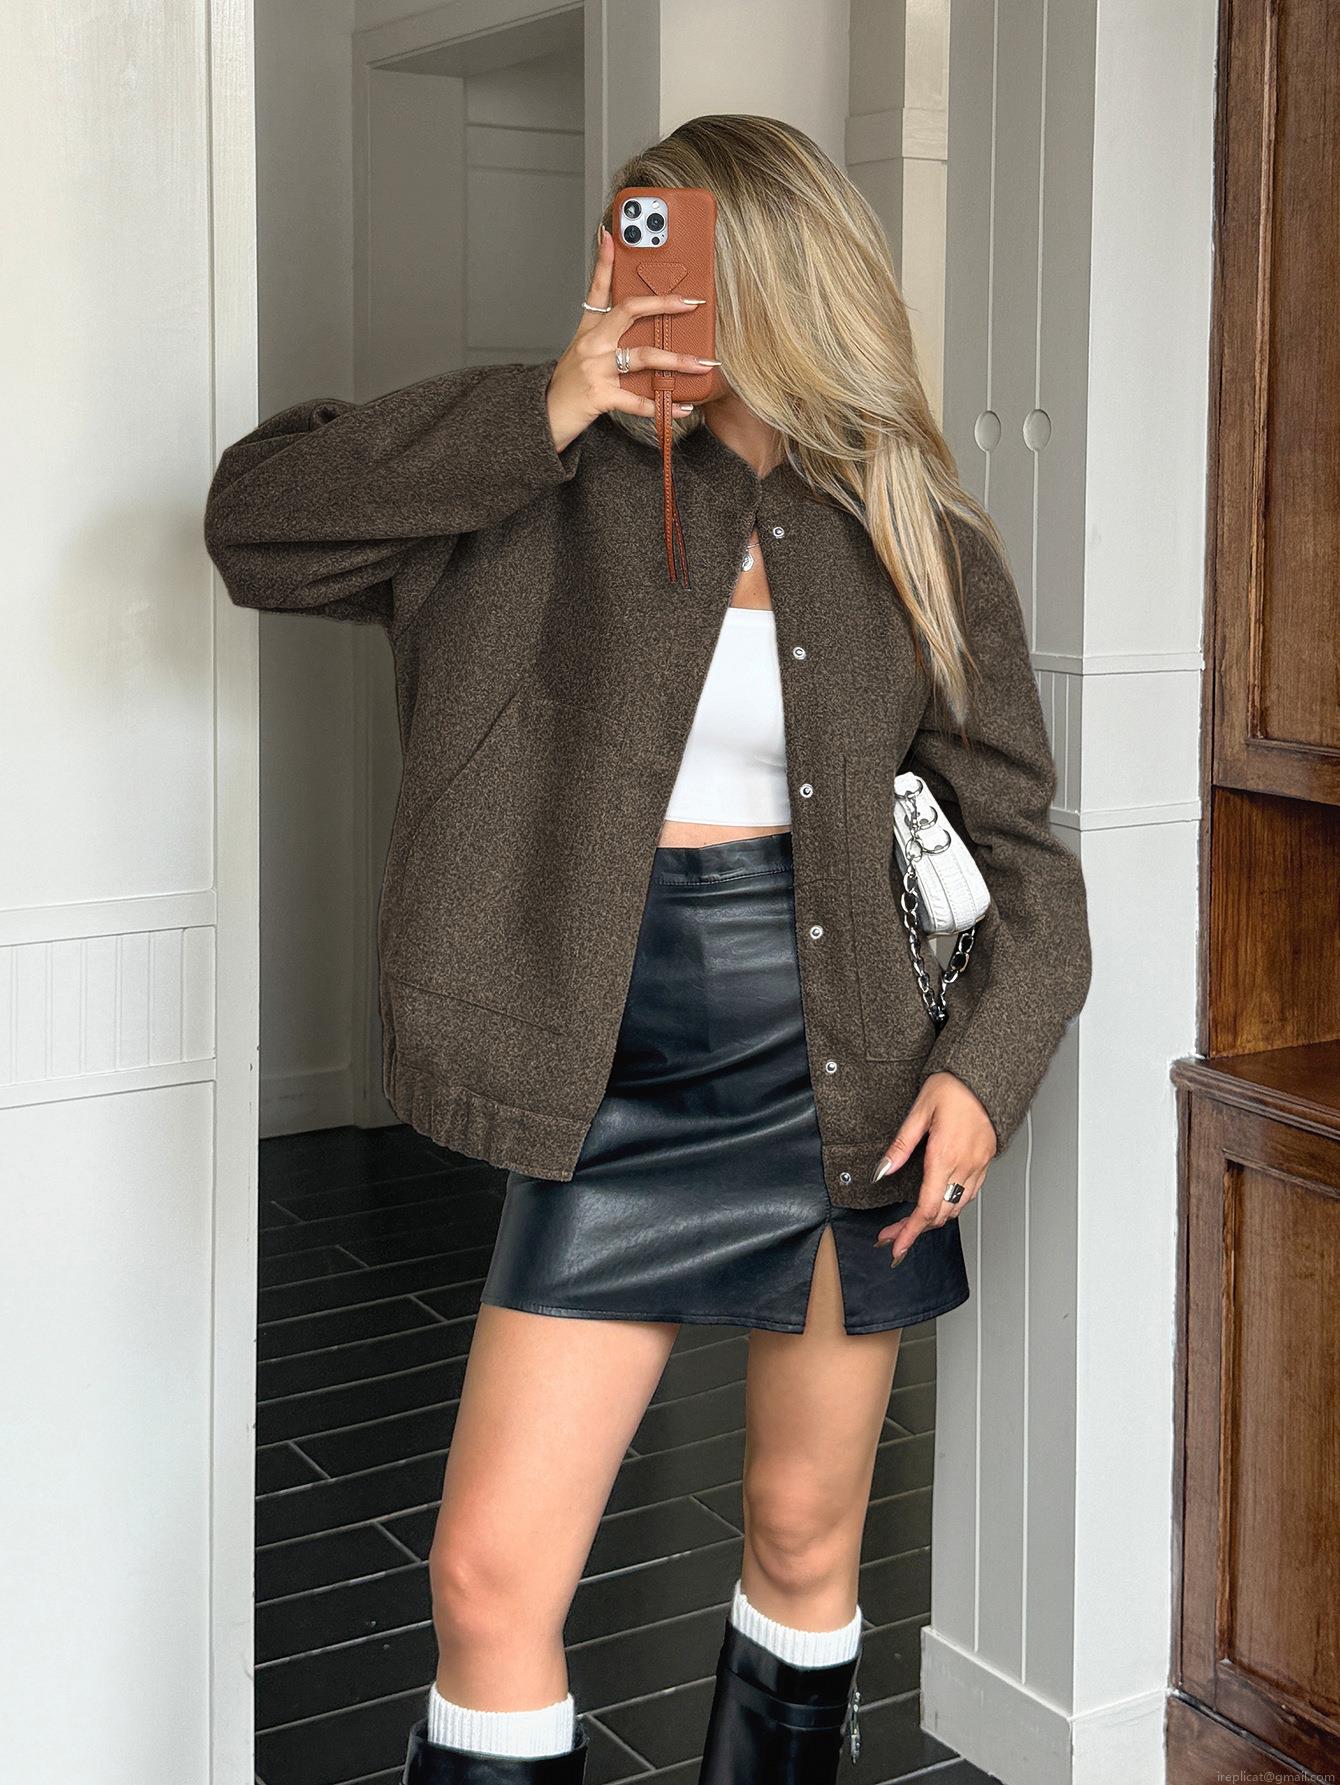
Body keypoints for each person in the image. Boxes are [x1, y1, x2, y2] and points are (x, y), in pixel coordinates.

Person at [204, 114, 1091, 1785]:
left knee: (805, 1534)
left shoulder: (909, 531)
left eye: (667, 242)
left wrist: (983, 1073)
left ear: (772, 273)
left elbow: (1025, 856)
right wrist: (545, 406)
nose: (632, 275)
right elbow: (255, 523)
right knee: (488, 1581)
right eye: (623, 240)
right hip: (608, 1077)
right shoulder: (525, 475)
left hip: (838, 1075)